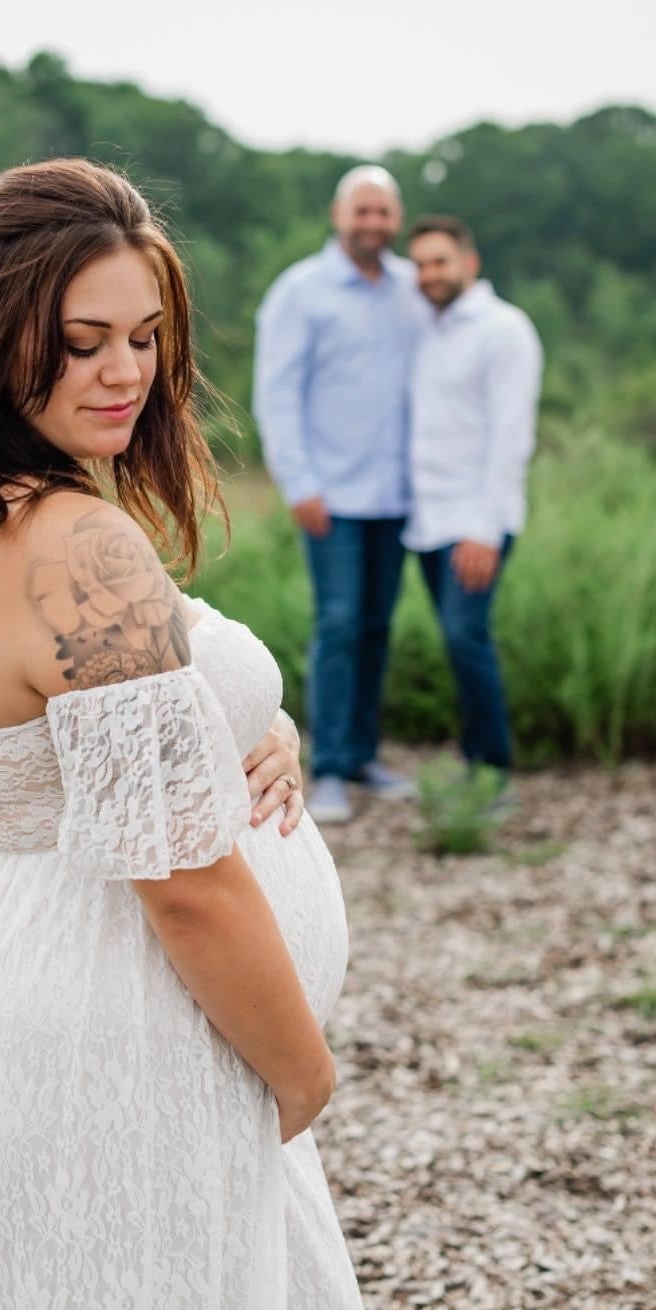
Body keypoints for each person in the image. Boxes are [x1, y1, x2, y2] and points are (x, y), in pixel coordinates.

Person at [0, 159, 393, 1310]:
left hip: (66, 1011)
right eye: (84, 342)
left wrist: (252, 721)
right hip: (128, 1041)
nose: (127, 372)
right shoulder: (71, 544)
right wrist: (303, 1070)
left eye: (147, 337)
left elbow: (139, 696)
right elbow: (183, 885)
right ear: (2, 341)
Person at [253, 165, 424, 825]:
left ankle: (362, 757)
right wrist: (299, 482)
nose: (373, 223)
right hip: (333, 494)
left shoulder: (412, 289)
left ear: (396, 220)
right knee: (339, 625)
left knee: (379, 627)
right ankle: (324, 769)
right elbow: (277, 392)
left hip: (400, 495)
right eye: (363, 212)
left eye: (383, 213)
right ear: (338, 215)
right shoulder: (302, 291)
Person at [404, 214, 543, 776]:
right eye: (420, 265)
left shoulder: (504, 329)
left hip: (475, 519)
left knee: (466, 638)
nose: (429, 274)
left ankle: (492, 768)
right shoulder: (428, 329)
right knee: (458, 641)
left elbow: (513, 437)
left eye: (440, 261)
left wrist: (485, 528)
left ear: (469, 262)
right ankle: (472, 758)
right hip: (427, 519)